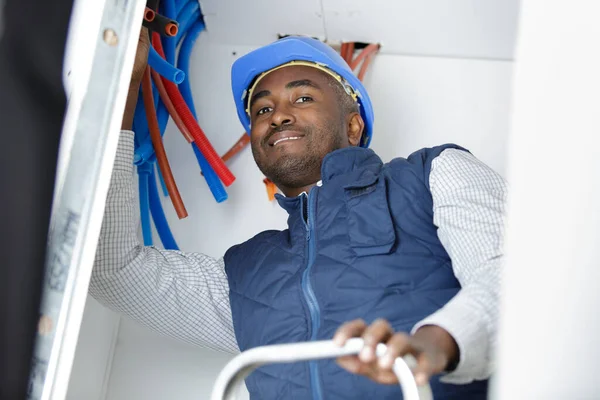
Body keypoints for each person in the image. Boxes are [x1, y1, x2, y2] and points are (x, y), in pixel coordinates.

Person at [91, 30, 506, 399]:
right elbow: (112, 270)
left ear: (354, 126)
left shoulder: (433, 175)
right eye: (261, 110)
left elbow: (510, 277)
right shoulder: (244, 273)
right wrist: (120, 89)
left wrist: (436, 344)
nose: (278, 116)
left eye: (303, 98)